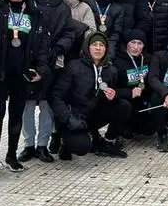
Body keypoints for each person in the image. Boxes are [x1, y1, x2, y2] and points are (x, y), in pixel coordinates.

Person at [0, 0, 51, 177]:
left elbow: (42, 44)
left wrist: (41, 70)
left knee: (17, 114)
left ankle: (11, 155)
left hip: (22, 72)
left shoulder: (33, 11)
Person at [19, 0, 76, 164]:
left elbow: (69, 31)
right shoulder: (27, 1)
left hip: (52, 61)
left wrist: (60, 47)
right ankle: (28, 144)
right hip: (29, 59)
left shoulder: (63, 5)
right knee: (27, 105)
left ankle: (42, 144)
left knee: (46, 104)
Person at [48, 30, 130, 158]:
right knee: (81, 147)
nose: (98, 48)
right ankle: (65, 142)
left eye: (101, 45)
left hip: (92, 115)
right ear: (87, 47)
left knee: (123, 106)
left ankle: (106, 142)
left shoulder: (111, 70)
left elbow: (107, 96)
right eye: (94, 44)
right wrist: (68, 118)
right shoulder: (73, 66)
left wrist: (112, 96)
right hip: (73, 118)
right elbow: (55, 96)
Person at [113, 29, 155, 138]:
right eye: (133, 42)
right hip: (126, 98)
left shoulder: (147, 59)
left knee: (149, 130)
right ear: (127, 44)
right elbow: (112, 89)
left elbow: (153, 79)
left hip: (143, 98)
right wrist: (129, 92)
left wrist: (144, 88)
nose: (136, 47)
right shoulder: (117, 61)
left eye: (140, 43)